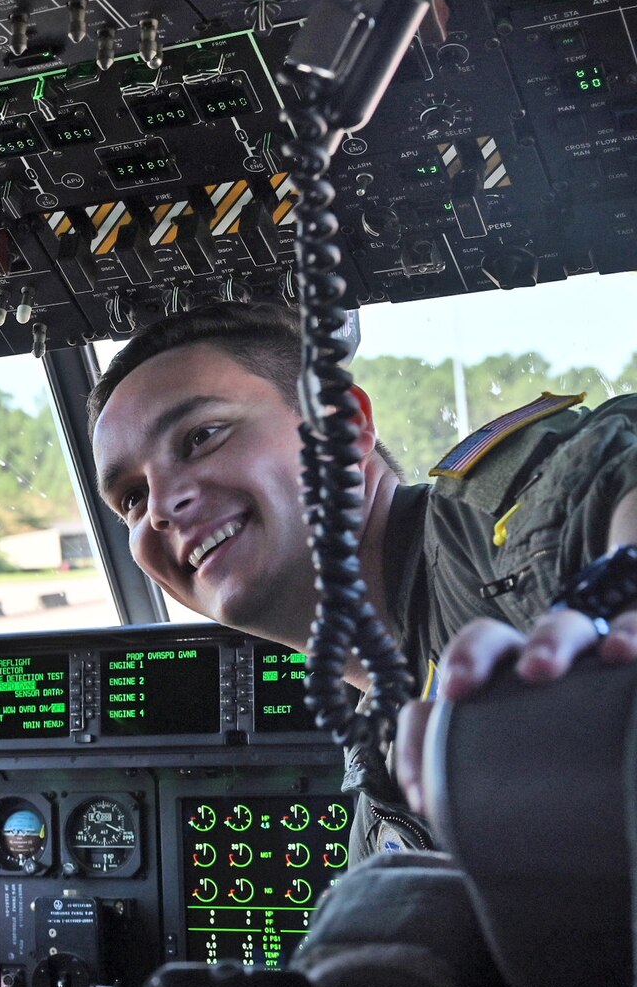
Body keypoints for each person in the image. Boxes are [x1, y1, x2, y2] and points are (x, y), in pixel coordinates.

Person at [88, 301, 637, 849]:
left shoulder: (476, 534)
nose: (160, 506)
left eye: (201, 436)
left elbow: (605, 475)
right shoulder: (377, 820)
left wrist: (623, 580)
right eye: (132, 497)